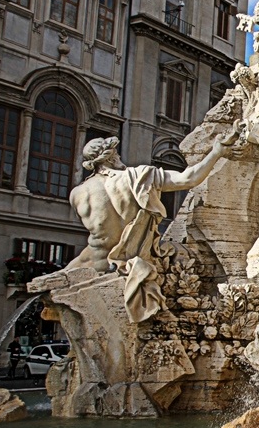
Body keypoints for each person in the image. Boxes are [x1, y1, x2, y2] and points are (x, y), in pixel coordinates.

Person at [67, 133, 235, 322]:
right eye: (116, 154)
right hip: (134, 264)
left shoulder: (77, 193)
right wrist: (216, 152)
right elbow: (189, 178)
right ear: (110, 157)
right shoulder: (139, 177)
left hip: (94, 266)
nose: (119, 157)